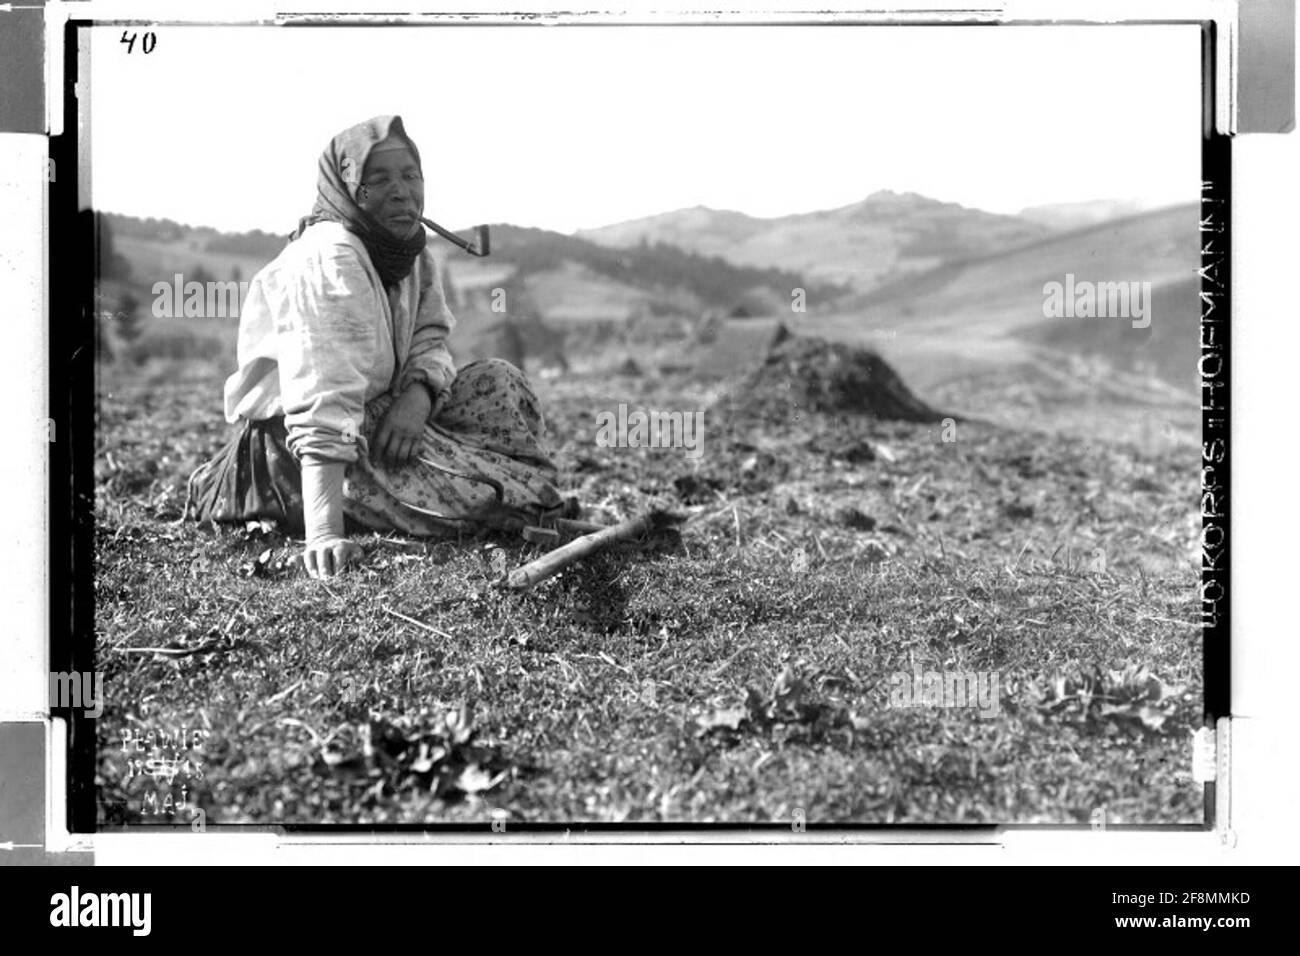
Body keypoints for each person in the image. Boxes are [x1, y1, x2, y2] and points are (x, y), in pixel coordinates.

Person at [186, 115, 572, 578]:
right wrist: (325, 533)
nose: (401, 191)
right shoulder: (330, 257)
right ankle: (498, 500)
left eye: (411, 176)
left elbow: (431, 338)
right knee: (479, 494)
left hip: (381, 415)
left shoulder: (408, 248)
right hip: (301, 454)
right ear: (348, 190)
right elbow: (323, 397)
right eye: (379, 179)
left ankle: (512, 493)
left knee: (500, 383)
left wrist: (417, 396)